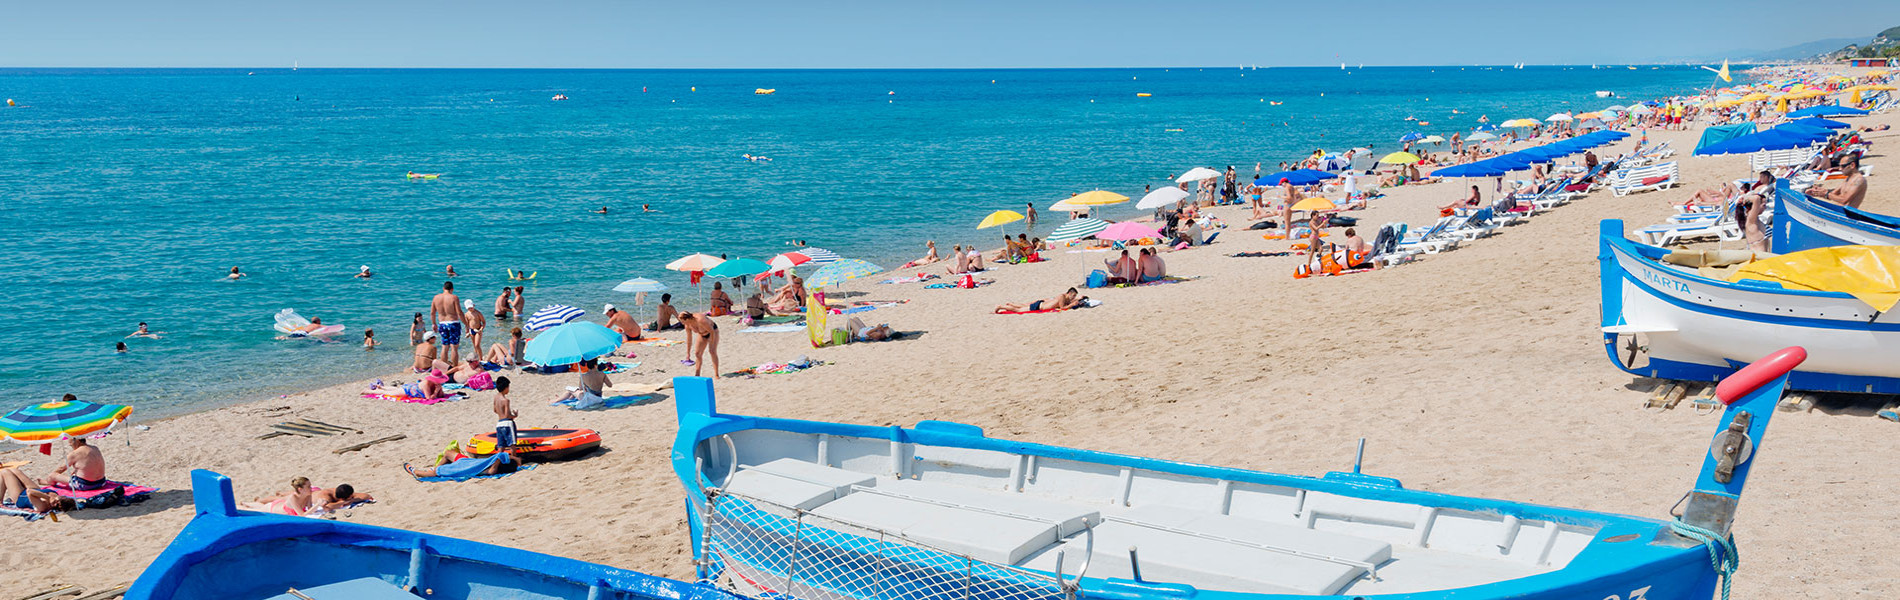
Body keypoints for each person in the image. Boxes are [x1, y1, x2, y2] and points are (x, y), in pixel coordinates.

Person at [1, 465, 76, 518]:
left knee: (5, 472)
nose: (54, 503)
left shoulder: (42, 507)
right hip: (35, 489)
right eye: (57, 501)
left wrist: (47, 497)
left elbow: (30, 492)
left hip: (20, 497)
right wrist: (52, 495)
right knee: (15, 470)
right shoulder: (55, 497)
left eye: (56, 505)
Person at [40, 435, 108, 491]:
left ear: (77, 441)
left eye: (71, 444)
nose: (72, 446)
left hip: (86, 485)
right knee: (77, 471)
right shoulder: (95, 448)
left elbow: (61, 469)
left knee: (52, 475)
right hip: (101, 482)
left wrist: (53, 476)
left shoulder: (75, 453)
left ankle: (48, 482)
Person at [405, 449, 518, 479]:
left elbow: (498, 457)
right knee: (448, 453)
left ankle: (415, 471)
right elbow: (500, 456)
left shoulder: (493, 469)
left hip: (464, 467)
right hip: (466, 461)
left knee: (436, 473)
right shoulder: (492, 463)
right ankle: (436, 468)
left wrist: (500, 459)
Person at [679, 312, 720, 377]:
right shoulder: (687, 325)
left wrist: (711, 343)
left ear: (687, 319)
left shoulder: (700, 320)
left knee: (712, 351)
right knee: (697, 354)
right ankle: (697, 375)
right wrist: (688, 353)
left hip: (713, 332)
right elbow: (689, 339)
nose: (682, 323)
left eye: (682, 321)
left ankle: (716, 374)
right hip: (702, 335)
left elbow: (711, 331)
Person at [431, 281, 464, 362]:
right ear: (452, 289)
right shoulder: (454, 297)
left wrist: (434, 323)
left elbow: (432, 313)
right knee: (454, 347)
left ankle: (444, 367)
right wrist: (466, 324)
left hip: (442, 324)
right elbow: (459, 312)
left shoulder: (436, 298)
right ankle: (454, 367)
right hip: (453, 323)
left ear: (443, 288)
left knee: (445, 347)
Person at [994, 288, 1084, 313]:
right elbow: (1063, 307)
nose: (1073, 298)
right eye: (1073, 296)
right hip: (1039, 306)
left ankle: (1011, 304)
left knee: (1023, 305)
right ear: (1069, 293)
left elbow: (1067, 302)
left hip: (1040, 304)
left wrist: (1079, 299)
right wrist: (1072, 305)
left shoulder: (1065, 297)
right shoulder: (1062, 297)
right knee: (1019, 310)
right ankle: (1000, 307)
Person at [492, 376, 517, 450]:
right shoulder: (505, 400)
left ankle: (500, 457)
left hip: (499, 423)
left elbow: (495, 410)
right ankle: (514, 457)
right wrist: (515, 415)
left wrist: (501, 413)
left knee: (501, 446)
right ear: (506, 388)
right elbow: (507, 415)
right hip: (507, 423)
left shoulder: (496, 398)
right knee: (512, 445)